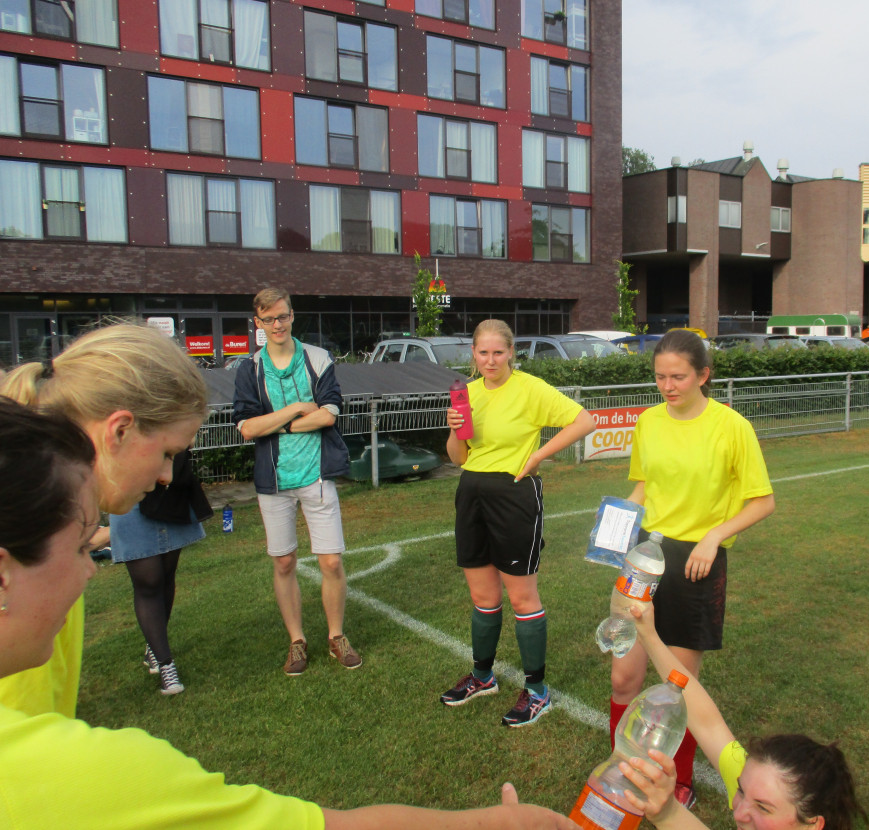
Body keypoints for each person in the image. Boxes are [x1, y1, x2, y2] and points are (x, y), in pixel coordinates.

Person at [0, 400, 576, 830]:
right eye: (83, 545)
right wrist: (498, 823)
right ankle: (486, 675)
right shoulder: (85, 773)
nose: (92, 571)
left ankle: (526, 683)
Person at [0, 323, 208, 717]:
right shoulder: (38, 554)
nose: (166, 475)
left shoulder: (54, 531)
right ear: (121, 430)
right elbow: (23, 747)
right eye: (167, 452)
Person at [611, 329, 775, 806]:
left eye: (678, 376)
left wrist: (714, 535)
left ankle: (678, 780)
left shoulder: (731, 426)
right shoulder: (648, 421)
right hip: (646, 556)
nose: (668, 386)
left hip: (697, 565)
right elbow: (642, 489)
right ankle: (623, 768)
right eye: (660, 376)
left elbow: (763, 502)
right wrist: (616, 526)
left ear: (704, 375)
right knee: (624, 676)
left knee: (674, 688)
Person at [441, 319, 596, 726]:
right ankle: (482, 676)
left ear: (511, 353)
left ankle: (537, 691)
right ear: (473, 355)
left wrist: (539, 456)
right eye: (482, 352)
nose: (490, 360)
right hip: (472, 492)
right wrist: (455, 431)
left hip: (514, 494)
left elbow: (584, 420)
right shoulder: (466, 393)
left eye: (498, 352)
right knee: (483, 596)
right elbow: (458, 458)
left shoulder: (530, 388)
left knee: (522, 598)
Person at [618, 604, 864, 830]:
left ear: (812, 825)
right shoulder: (758, 779)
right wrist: (648, 636)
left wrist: (668, 815)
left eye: (764, 807)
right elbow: (708, 724)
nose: (740, 813)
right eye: (741, 791)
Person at [233, 287, 361, 676]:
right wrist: (295, 409)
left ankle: (336, 636)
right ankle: (296, 641)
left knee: (331, 561)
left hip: (317, 474)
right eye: (268, 319)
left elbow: (329, 414)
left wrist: (278, 423)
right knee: (285, 562)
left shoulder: (318, 358)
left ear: (292, 315)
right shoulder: (249, 369)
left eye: (283, 316)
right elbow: (247, 428)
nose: (277, 324)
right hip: (273, 480)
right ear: (257, 323)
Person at [109, 449, 213, 695]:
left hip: (169, 493)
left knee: (166, 577)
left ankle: (155, 648)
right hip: (129, 491)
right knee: (149, 581)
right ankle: (167, 665)